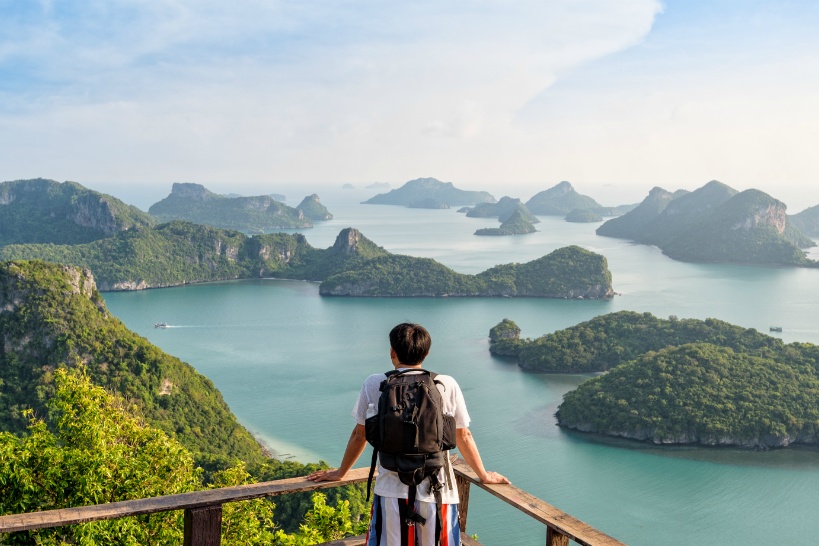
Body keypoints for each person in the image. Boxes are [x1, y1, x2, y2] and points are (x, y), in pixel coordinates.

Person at [308, 322, 510, 546]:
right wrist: (484, 475)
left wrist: (340, 473)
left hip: (390, 491)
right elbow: (464, 436)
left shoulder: (375, 383)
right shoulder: (446, 384)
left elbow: (359, 435)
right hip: (438, 492)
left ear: (392, 352)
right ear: (426, 352)